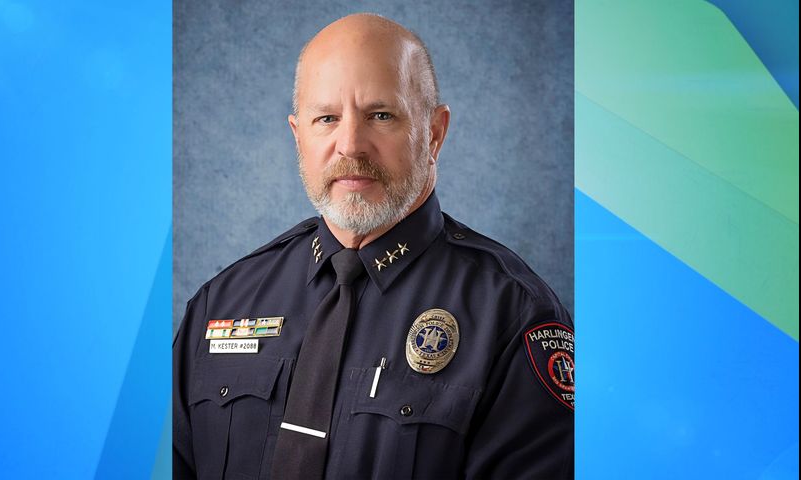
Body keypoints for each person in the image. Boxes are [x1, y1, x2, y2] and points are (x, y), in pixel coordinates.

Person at [174, 13, 573, 480]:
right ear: (298, 136)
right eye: (326, 118)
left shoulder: (513, 314)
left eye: (380, 115)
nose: (350, 145)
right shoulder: (221, 303)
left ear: (435, 133)